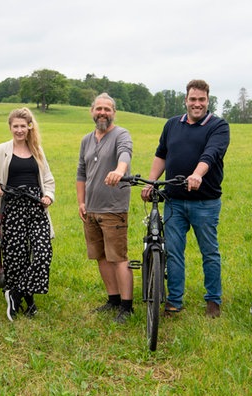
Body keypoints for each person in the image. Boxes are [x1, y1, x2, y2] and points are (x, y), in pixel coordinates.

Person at [142, 79, 230, 318]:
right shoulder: (172, 125)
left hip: (205, 201)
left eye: (201, 99)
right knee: (173, 251)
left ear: (207, 100)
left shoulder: (218, 126)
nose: (197, 104)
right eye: (193, 99)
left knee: (209, 251)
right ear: (186, 100)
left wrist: (197, 174)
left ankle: (213, 300)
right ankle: (174, 300)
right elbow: (161, 154)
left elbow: (211, 154)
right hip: (174, 200)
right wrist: (151, 182)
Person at [0, 107, 55, 321]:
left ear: (29, 126)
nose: (19, 130)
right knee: (16, 258)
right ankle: (28, 300)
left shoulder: (37, 150)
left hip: (35, 207)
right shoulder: (2, 149)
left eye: (22, 126)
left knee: (43, 253)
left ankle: (14, 293)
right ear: (10, 127)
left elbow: (49, 180)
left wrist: (49, 197)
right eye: (15, 126)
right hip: (13, 207)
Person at [77, 93, 134, 323]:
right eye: (99, 108)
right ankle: (113, 300)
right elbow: (81, 172)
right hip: (91, 208)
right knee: (100, 256)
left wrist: (120, 171)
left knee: (118, 257)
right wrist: (82, 202)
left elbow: (125, 154)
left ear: (114, 113)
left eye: (107, 109)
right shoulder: (86, 140)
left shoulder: (121, 134)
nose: (103, 113)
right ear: (92, 111)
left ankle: (127, 306)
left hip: (113, 208)